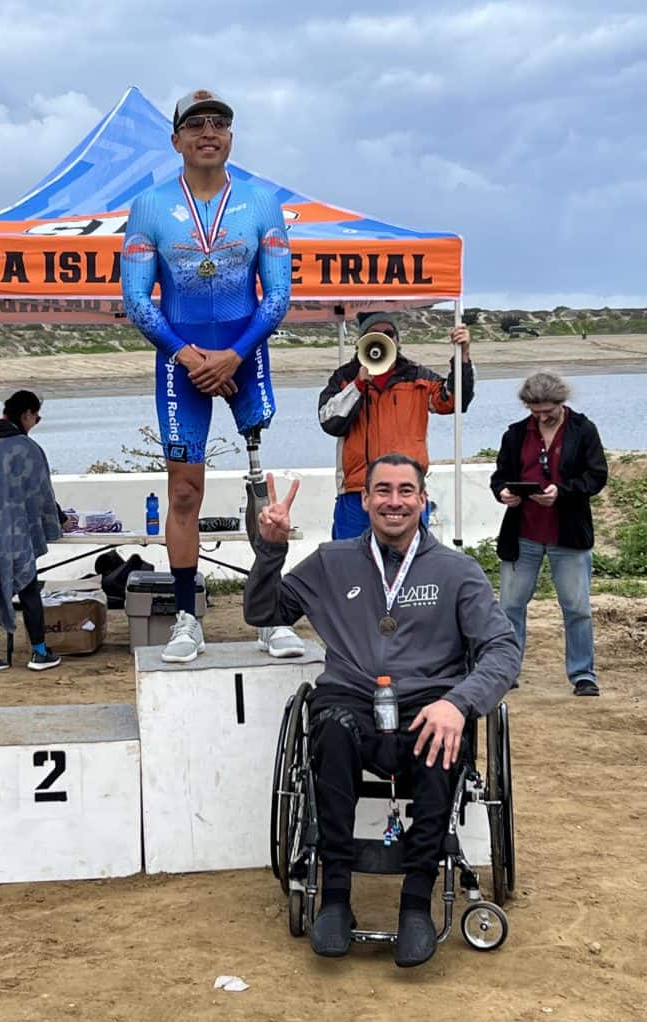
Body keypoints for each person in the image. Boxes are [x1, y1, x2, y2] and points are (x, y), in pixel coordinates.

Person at [244, 453, 520, 966]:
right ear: (365, 499)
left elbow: (503, 649)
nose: (395, 501)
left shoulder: (457, 571)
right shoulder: (332, 561)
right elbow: (262, 612)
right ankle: (335, 898)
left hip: (428, 702)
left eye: (406, 491)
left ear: (423, 499)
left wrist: (459, 704)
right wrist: (271, 549)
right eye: (383, 491)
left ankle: (417, 901)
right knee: (328, 733)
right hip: (350, 700)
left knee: (441, 741)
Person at [121, 88, 303, 663]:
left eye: (220, 123)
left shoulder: (260, 203)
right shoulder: (148, 207)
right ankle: (183, 619)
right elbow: (135, 299)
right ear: (175, 139)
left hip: (244, 351)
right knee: (184, 490)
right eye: (195, 123)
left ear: (231, 138)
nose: (208, 131)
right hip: (180, 357)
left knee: (259, 488)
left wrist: (234, 356)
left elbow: (277, 295)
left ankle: (269, 617)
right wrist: (188, 355)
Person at [490, 372, 608, 696]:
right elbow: (499, 477)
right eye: (535, 411)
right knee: (511, 606)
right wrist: (504, 493)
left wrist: (564, 491)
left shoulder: (583, 430)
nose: (541, 416)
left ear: (562, 401)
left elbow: (597, 476)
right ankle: (507, 670)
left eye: (548, 410)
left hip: (568, 534)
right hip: (522, 532)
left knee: (577, 607)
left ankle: (583, 675)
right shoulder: (515, 434)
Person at [318, 313, 474, 539]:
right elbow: (329, 421)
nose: (383, 339)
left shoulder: (417, 376)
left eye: (388, 334)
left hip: (406, 489)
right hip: (357, 491)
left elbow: (455, 400)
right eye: (375, 335)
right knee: (349, 563)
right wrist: (358, 385)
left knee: (410, 564)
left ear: (397, 340)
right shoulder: (345, 377)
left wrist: (463, 356)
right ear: (363, 341)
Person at [0, 390, 68, 672]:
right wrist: (59, 520)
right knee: (28, 586)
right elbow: (40, 494)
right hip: (14, 531)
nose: (37, 422)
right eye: (37, 417)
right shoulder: (24, 448)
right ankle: (40, 653)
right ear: (26, 414)